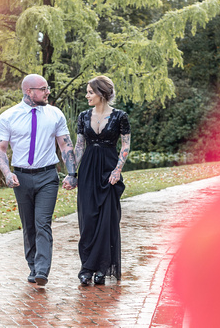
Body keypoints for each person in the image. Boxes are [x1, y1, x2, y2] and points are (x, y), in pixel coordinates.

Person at [0, 74, 78, 286]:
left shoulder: (55, 114)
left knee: (42, 223)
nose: (47, 91)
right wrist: (6, 173)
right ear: (29, 92)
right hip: (21, 177)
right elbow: (0, 149)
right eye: (43, 88)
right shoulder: (8, 117)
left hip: (48, 176)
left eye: (47, 88)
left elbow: (65, 145)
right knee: (28, 225)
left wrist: (72, 173)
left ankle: (42, 270)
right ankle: (33, 267)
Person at [74, 75, 131, 285]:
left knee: (106, 221)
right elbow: (79, 146)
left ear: (102, 93)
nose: (87, 95)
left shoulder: (120, 117)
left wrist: (117, 170)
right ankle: (86, 267)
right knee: (88, 219)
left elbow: (125, 146)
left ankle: (101, 268)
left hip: (109, 170)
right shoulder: (82, 116)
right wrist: (72, 172)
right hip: (88, 169)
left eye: (90, 92)